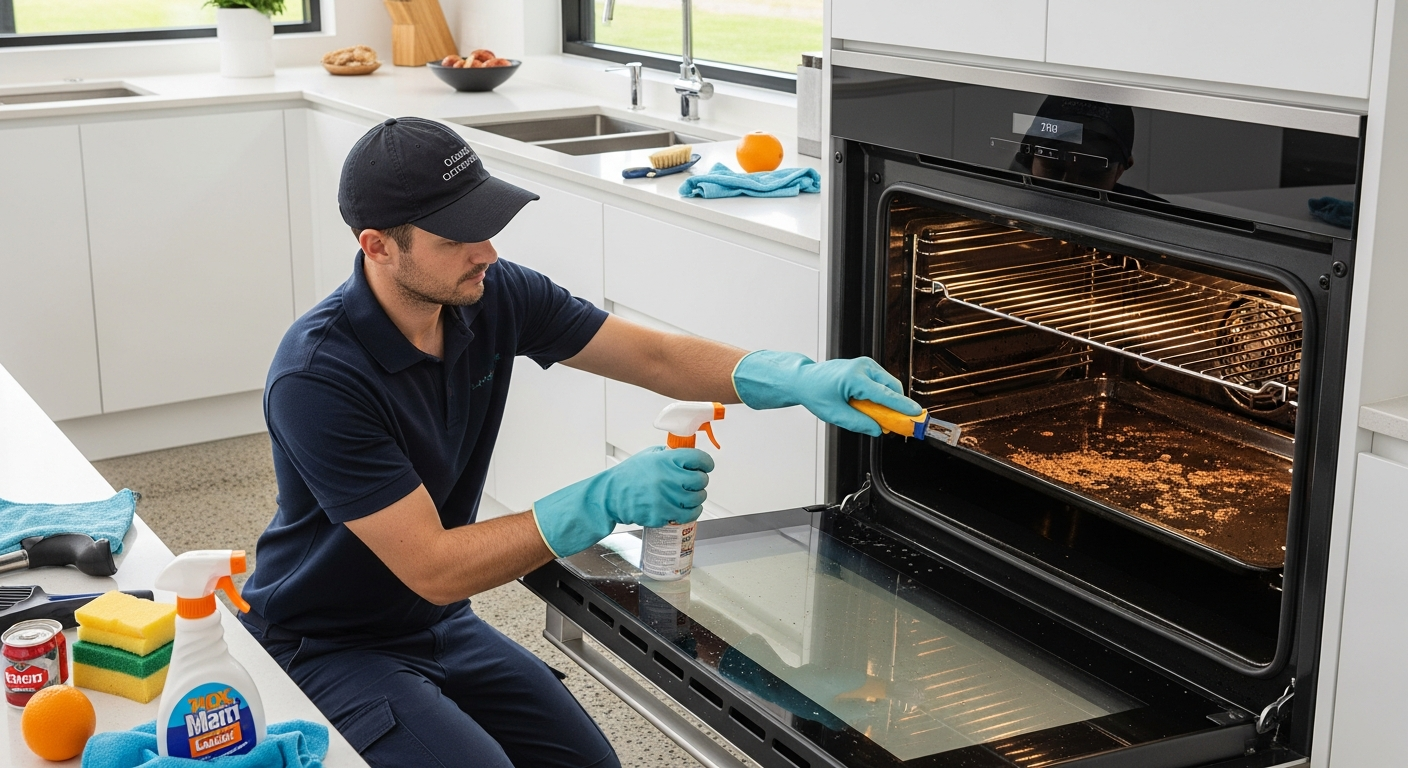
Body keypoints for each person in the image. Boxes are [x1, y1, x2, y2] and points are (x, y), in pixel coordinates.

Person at [237, 117, 921, 768]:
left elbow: (653, 357)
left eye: (486, 225)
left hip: (438, 622)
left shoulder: (491, 294)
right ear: (379, 246)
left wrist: (792, 377)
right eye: (456, 237)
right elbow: (435, 565)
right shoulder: (317, 378)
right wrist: (599, 501)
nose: (487, 252)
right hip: (329, 642)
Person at [1014, 96, 1161, 200]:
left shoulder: (1153, 218)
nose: (1068, 186)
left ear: (1120, 171)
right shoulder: (1007, 195)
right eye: (1054, 166)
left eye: (1091, 172)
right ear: (1029, 156)